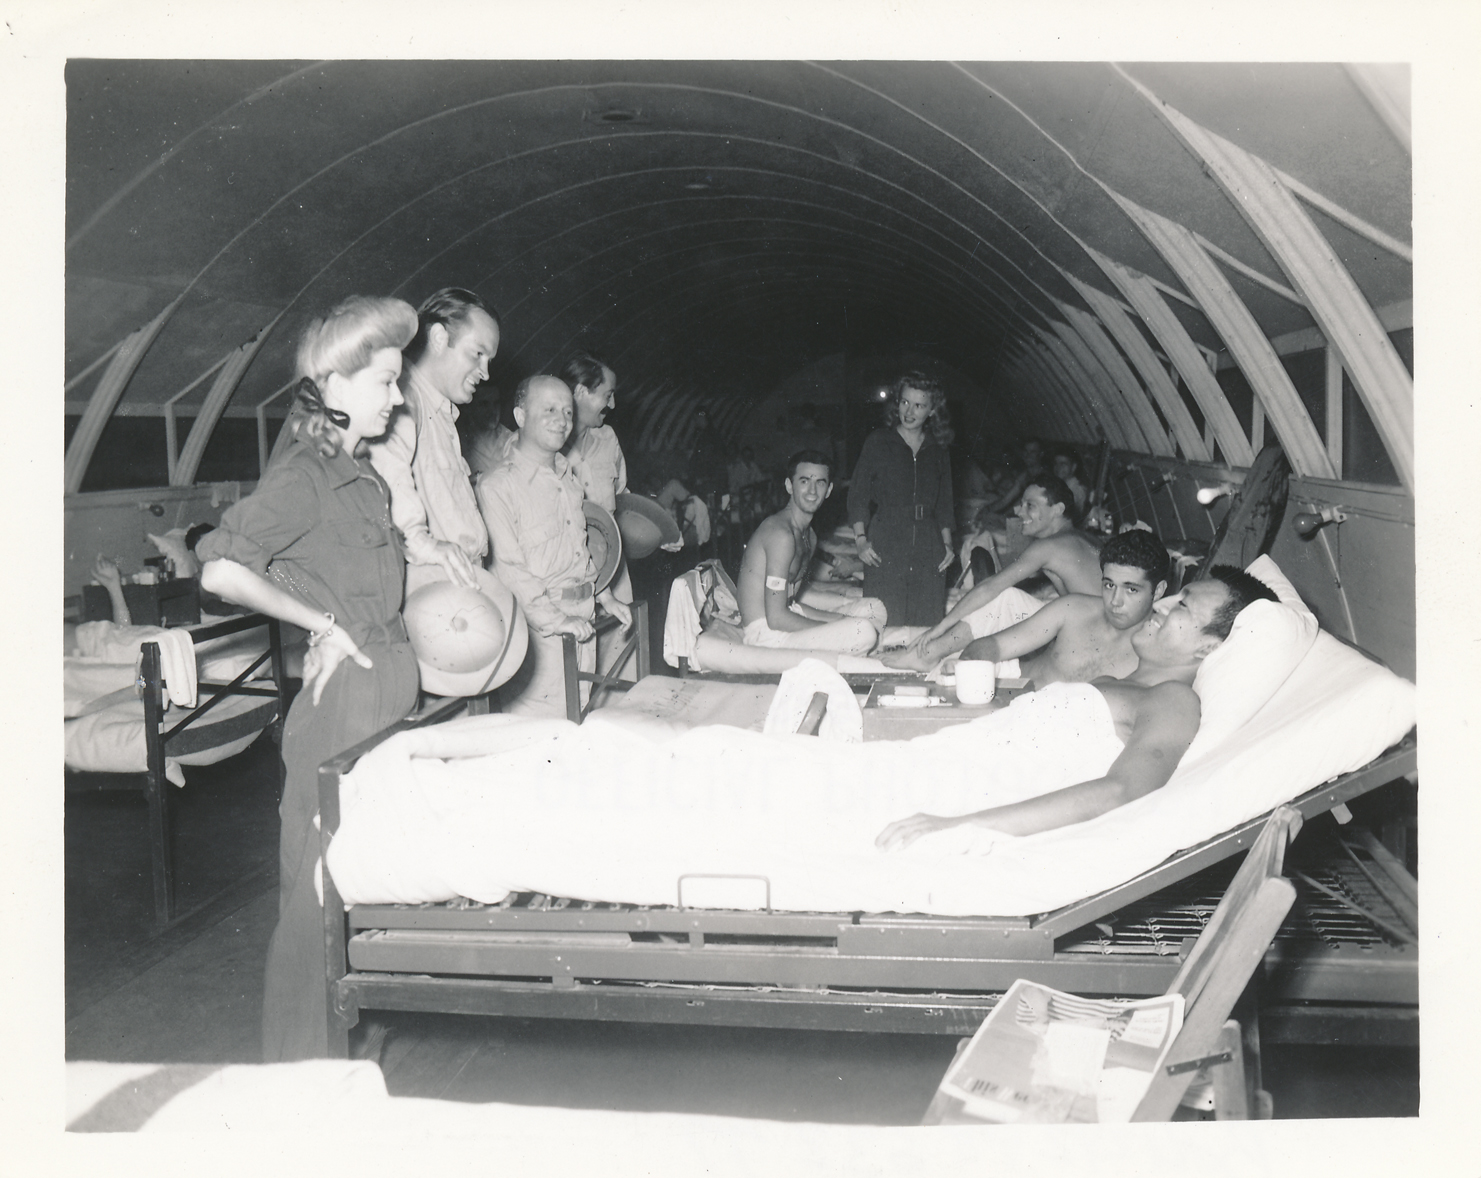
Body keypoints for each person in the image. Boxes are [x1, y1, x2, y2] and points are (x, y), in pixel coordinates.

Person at [195, 296, 422, 1061]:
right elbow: (221, 568)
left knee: (367, 881)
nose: (397, 396)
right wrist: (318, 625)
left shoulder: (361, 477)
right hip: (346, 709)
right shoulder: (306, 473)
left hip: (389, 693)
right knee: (317, 893)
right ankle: (297, 1072)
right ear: (334, 381)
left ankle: (355, 1042)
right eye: (387, 381)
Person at [876, 566, 1277, 849]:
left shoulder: (1173, 701)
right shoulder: (1120, 685)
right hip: (940, 771)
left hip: (960, 804)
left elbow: (1121, 793)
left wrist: (961, 826)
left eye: (1183, 607)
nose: (1161, 605)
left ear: (1209, 647)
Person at [478, 375, 632, 717]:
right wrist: (556, 619)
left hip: (582, 620)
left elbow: (579, 546)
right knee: (542, 734)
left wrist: (604, 595)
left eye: (567, 411)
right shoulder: (498, 488)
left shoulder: (567, 479)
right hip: (539, 636)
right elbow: (509, 571)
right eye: (549, 409)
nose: (562, 420)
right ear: (520, 416)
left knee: (577, 722)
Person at [884, 473, 1106, 671]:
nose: (1019, 511)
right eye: (1021, 504)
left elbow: (991, 587)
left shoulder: (1050, 546)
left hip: (1093, 637)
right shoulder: (1083, 538)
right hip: (1098, 628)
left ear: (1057, 510)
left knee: (1003, 599)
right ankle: (936, 651)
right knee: (1006, 603)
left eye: (1030, 505)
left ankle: (928, 654)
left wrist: (940, 627)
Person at [369, 287, 500, 589]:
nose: (486, 373)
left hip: (462, 585)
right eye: (478, 354)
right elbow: (385, 490)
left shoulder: (440, 414)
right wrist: (424, 545)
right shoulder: (404, 403)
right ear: (439, 338)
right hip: (436, 590)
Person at [953, 530, 1169, 686]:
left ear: (1158, 591)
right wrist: (972, 666)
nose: (1115, 601)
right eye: (1109, 585)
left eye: (1131, 590)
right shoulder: (1073, 609)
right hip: (1016, 697)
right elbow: (992, 646)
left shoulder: (1158, 655)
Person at [737, 450, 885, 654]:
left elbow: (791, 605)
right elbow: (776, 618)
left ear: (830, 489)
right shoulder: (781, 536)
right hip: (766, 635)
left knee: (873, 608)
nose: (812, 491)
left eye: (820, 483)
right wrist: (836, 628)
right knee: (863, 632)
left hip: (786, 619)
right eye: (804, 481)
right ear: (789, 485)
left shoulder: (810, 536)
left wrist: (843, 620)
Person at [847, 372, 955, 627]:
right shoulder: (878, 442)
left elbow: (945, 503)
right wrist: (861, 540)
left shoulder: (938, 448)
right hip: (886, 539)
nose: (909, 411)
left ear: (932, 411)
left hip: (929, 543)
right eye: (905, 402)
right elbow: (858, 495)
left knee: (927, 622)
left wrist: (948, 544)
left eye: (919, 405)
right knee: (884, 618)